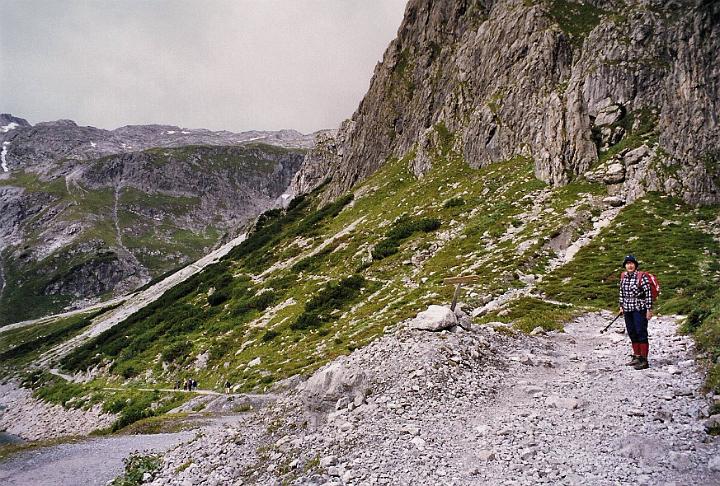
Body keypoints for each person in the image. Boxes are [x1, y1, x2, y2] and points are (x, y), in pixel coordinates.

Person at [619, 254, 653, 370]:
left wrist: (649, 309)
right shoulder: (623, 276)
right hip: (627, 309)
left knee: (641, 332)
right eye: (627, 264)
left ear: (635, 265)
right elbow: (621, 292)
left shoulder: (641, 277)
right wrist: (621, 306)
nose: (629, 265)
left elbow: (648, 294)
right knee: (632, 332)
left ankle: (644, 360)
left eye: (631, 263)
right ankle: (637, 356)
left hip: (639, 309)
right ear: (625, 266)